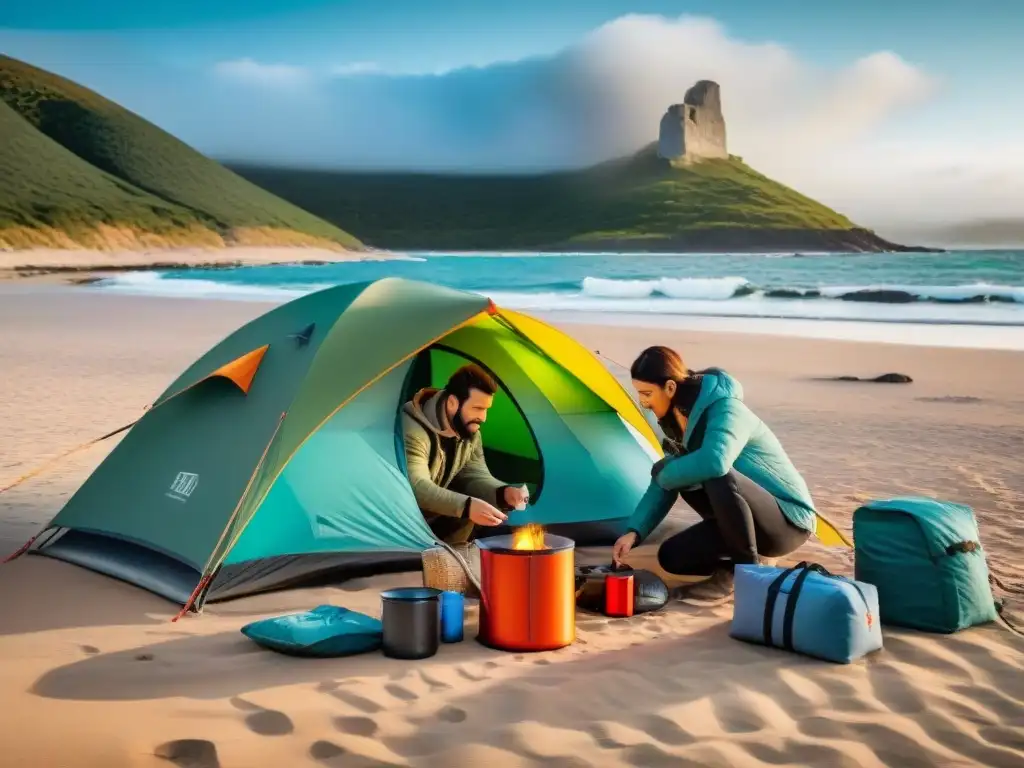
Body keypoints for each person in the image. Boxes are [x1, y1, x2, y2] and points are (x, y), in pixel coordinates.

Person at [612, 346, 817, 601]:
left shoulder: (728, 409)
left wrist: (664, 472)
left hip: (787, 523)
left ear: (670, 388)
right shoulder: (679, 420)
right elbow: (667, 480)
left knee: (715, 471)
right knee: (672, 558)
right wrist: (635, 531)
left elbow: (716, 462)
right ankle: (737, 567)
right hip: (737, 521)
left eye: (647, 394)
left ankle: (750, 574)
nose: (643, 403)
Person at [402, 363, 530, 544]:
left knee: (471, 502)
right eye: (477, 408)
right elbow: (417, 487)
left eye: (486, 409)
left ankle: (453, 561)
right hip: (402, 521)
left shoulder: (468, 430)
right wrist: (467, 506)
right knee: (467, 506)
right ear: (453, 402)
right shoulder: (412, 431)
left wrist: (503, 493)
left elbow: (474, 475)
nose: (483, 417)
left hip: (434, 517)